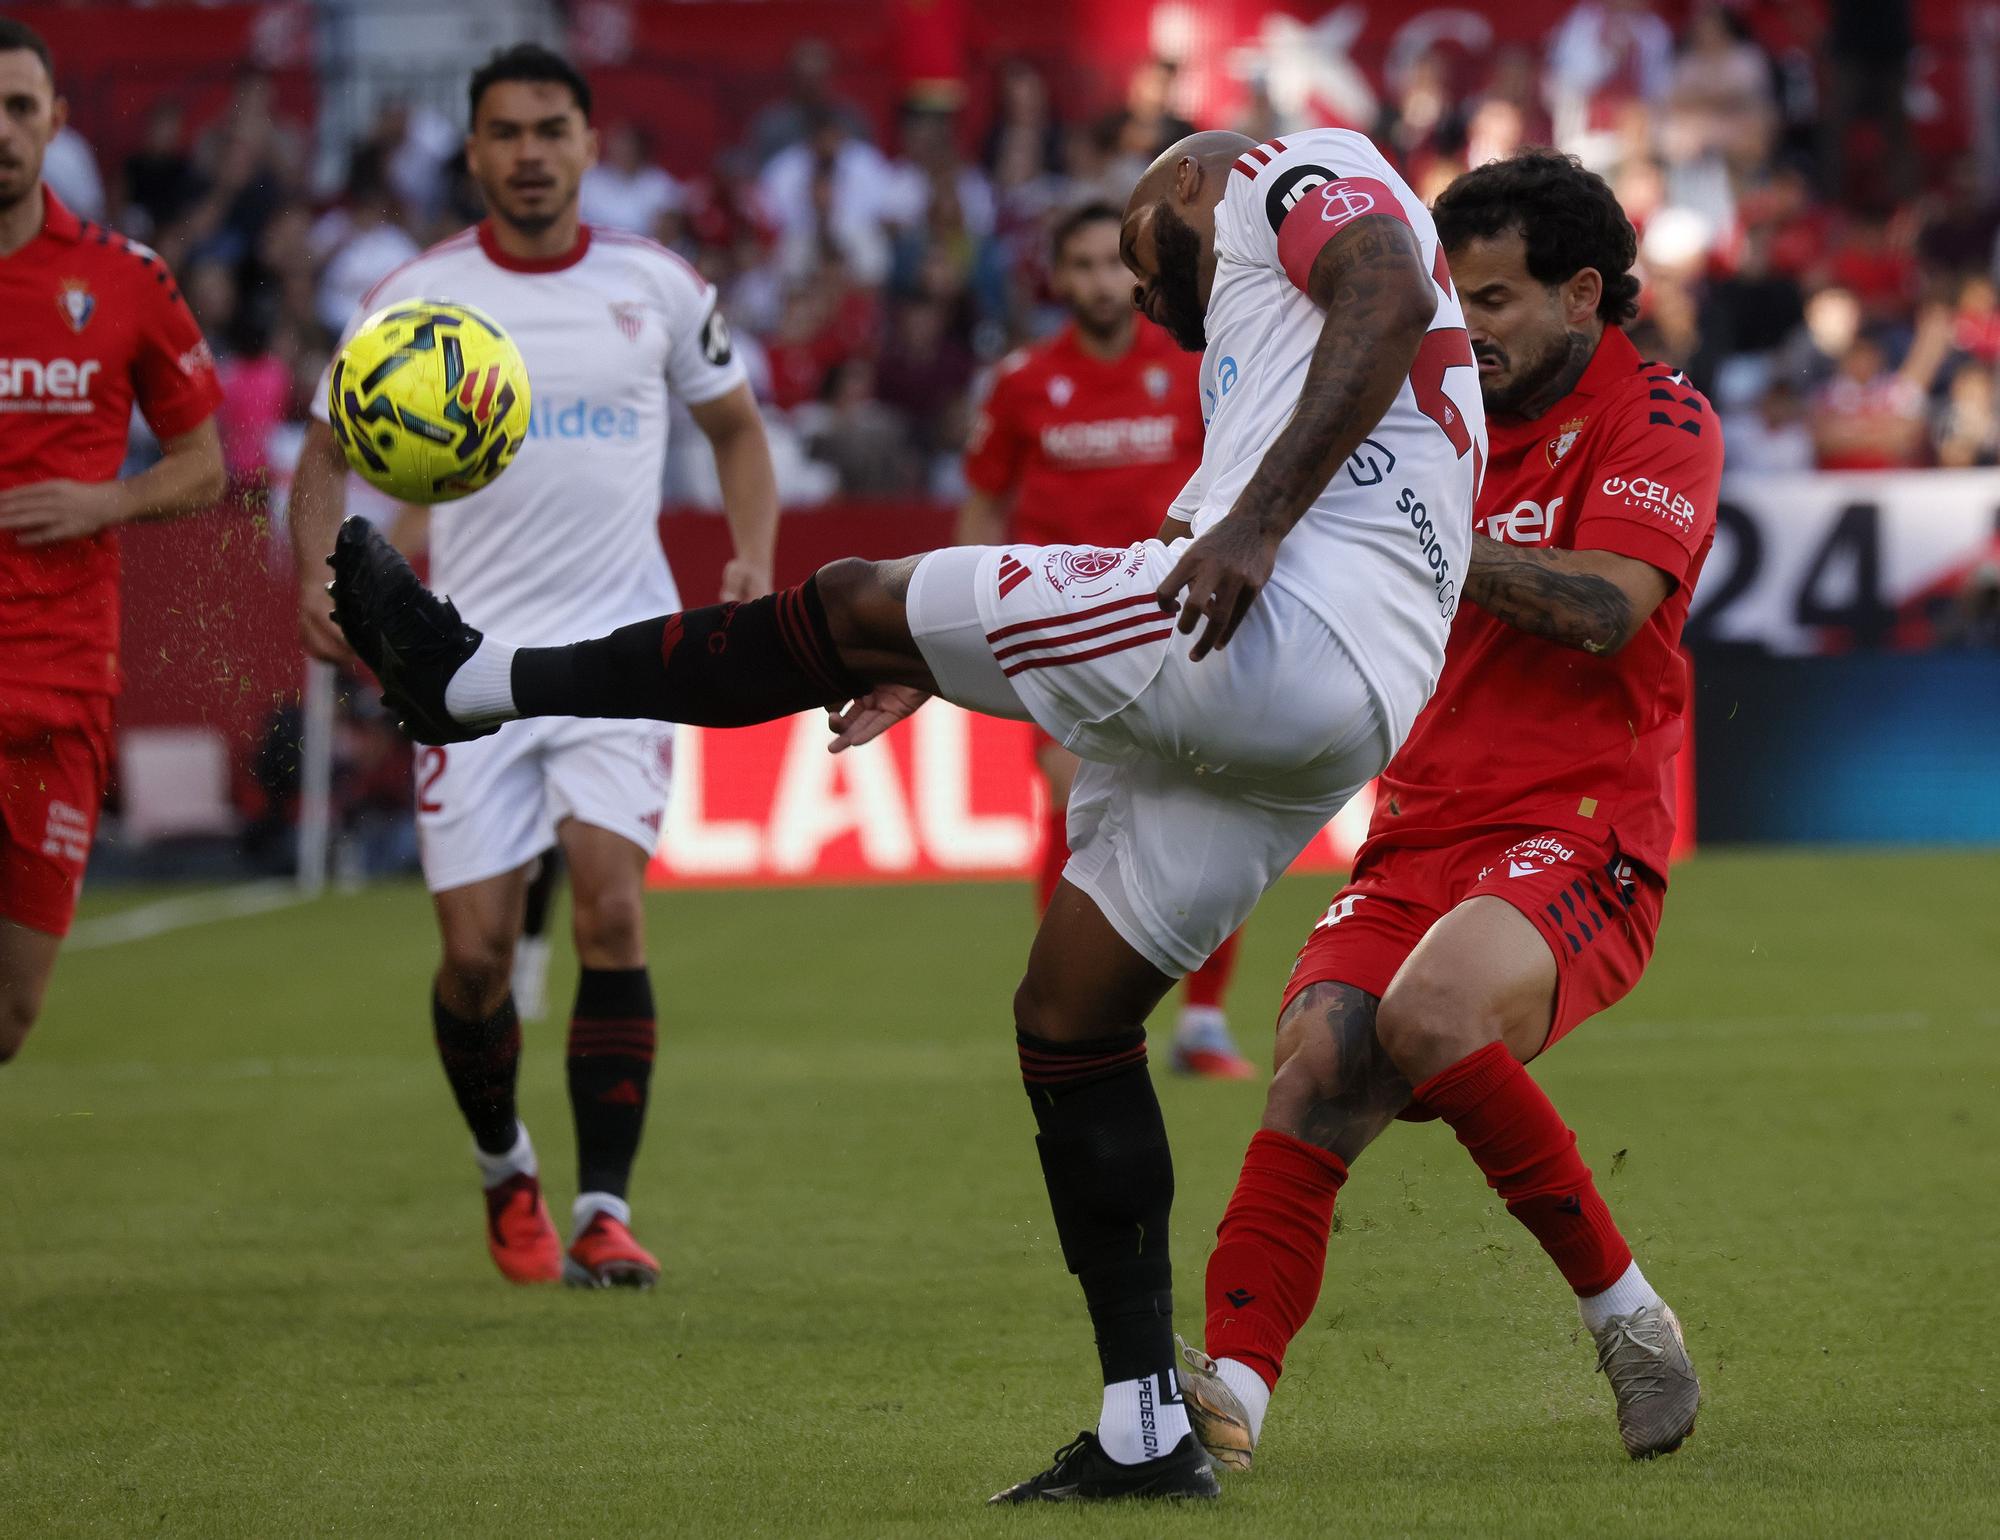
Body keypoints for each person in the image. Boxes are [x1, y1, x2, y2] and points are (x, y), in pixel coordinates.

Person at [329, 125, 1483, 1502]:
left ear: (1182, 180)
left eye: (1137, 253)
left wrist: (1257, 524)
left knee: (847, 600)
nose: (1146, 296)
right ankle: (1142, 1431)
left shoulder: (1278, 171)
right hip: (1344, 692)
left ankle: (469, 680)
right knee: (1068, 1012)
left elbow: (1383, 285)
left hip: (1283, 622)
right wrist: (954, 656)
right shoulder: (1271, 338)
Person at [1173, 149, 1720, 1474]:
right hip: (1414, 829)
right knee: (1313, 1063)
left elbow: (1604, 610)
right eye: (1449, 299)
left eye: (1494, 300)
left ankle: (1629, 1320)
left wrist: (1422, 535)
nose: (1463, 328)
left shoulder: (1658, 413)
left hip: (1581, 830)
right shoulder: (1417, 410)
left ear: (1581, 294)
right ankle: (1229, 1398)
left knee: (1429, 1014)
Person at [290, 44, 779, 1290]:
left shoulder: (655, 285)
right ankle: (505, 1165)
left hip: (619, 653)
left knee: (611, 906)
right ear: (472, 152)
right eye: (505, 132)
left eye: (550, 130)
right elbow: (321, 453)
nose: (529, 154)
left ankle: (604, 1210)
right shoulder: (413, 298)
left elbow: (736, 428)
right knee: (474, 957)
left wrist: (752, 556)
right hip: (460, 666)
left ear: (588, 143)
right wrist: (311, 575)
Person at [959, 200, 1251, 1078]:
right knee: (1073, 802)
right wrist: (969, 602)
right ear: (1057, 277)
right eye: (1079, 264)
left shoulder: (1192, 369)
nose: (1097, 282)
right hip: (1059, 629)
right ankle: (1077, 1009)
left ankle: (1203, 1021)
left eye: (1109, 264)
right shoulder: (1020, 382)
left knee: (1211, 810)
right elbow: (983, 501)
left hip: (1178, 619)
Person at [0, 18, 225, 1063]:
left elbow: (204, 465)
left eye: (18, 108)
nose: (1, 131)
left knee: (14, 1016)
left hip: (61, 683)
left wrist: (107, 503)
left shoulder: (125, 278)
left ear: (55, 122)